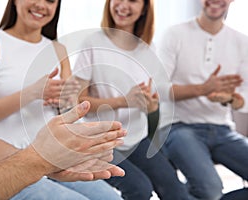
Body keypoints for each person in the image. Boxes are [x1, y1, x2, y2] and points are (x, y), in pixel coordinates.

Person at [0, 0, 124, 199]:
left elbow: (66, 110)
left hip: (54, 157)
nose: (42, 5)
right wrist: (31, 93)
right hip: (7, 161)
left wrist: (67, 99)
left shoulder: (58, 49)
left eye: (50, 1)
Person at [73, 0, 191, 199]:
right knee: (139, 188)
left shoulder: (149, 49)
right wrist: (123, 101)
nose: (123, 5)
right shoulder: (93, 43)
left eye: (133, 0)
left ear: (145, 8)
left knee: (174, 188)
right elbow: (78, 102)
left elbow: (150, 103)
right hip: (100, 143)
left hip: (136, 138)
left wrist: (150, 104)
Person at [157, 0, 248, 199]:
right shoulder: (174, 34)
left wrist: (231, 99)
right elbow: (159, 89)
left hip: (222, 129)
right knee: (210, 189)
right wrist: (203, 89)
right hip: (178, 127)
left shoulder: (241, 41)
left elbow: (244, 98)